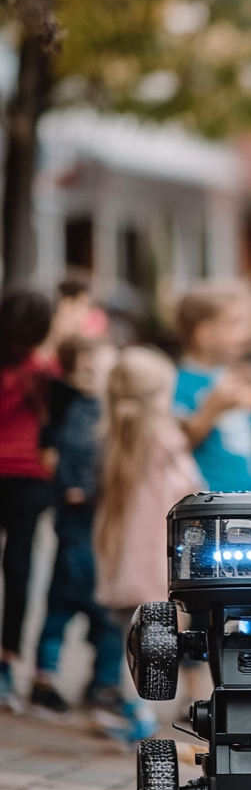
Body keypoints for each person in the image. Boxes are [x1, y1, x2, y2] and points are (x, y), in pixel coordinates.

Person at [93, 346, 203, 741]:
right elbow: (188, 490)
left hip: (127, 562)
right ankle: (139, 713)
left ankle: (132, 708)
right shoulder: (164, 440)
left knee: (133, 641)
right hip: (158, 563)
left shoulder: (120, 437)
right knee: (158, 642)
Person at [31, 335, 123, 717]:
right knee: (105, 613)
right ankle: (99, 684)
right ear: (87, 362)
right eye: (108, 356)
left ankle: (57, 679)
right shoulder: (87, 408)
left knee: (62, 609)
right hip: (84, 527)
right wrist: (79, 487)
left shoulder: (85, 406)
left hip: (87, 528)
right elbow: (76, 456)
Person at [0, 289, 56, 710]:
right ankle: (7, 661)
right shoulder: (44, 369)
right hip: (30, 478)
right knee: (19, 570)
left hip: (12, 476)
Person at [172, 283, 251, 492]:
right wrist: (213, 408)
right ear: (205, 334)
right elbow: (178, 444)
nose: (244, 334)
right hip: (208, 504)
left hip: (246, 498)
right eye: (234, 324)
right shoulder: (178, 383)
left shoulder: (233, 376)